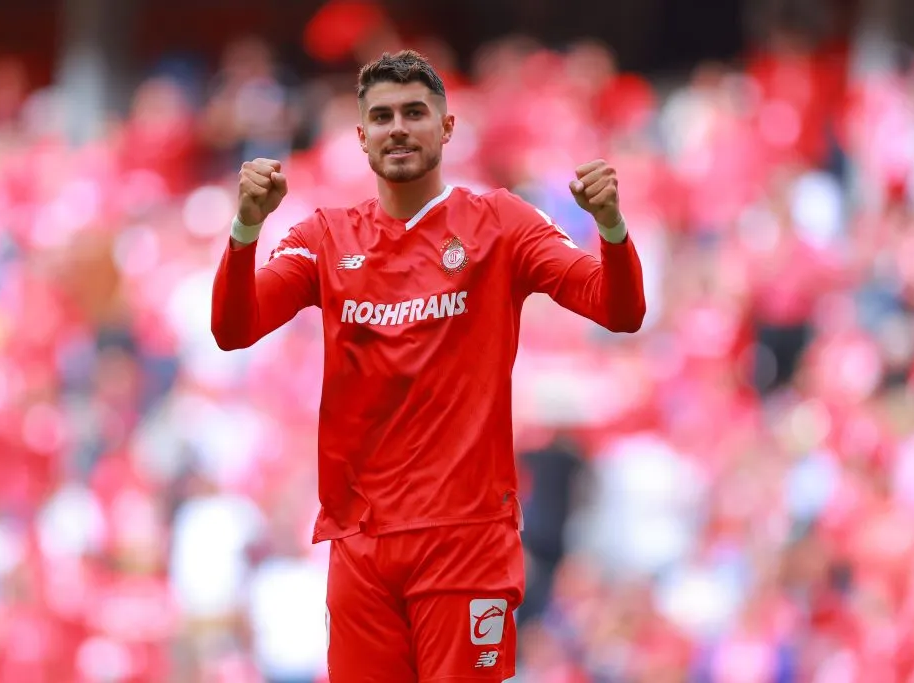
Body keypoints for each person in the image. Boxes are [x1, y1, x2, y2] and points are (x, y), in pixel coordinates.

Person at [211, 49, 646, 683]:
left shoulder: (501, 224)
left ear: (446, 127)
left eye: (415, 112)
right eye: (382, 116)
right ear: (361, 137)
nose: (398, 128)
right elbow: (234, 327)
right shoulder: (325, 238)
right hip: (359, 542)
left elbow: (618, 310)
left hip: (464, 536)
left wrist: (609, 227)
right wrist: (246, 228)